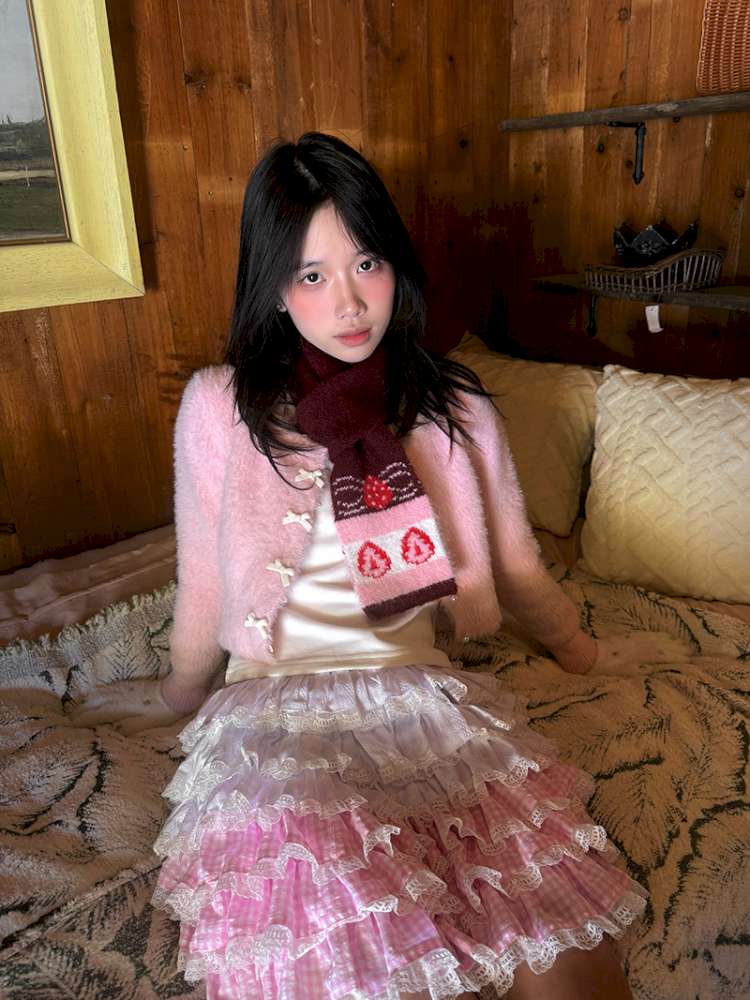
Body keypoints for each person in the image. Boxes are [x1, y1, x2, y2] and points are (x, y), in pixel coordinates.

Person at [72, 132, 688, 999]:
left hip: (418, 701)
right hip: (275, 713)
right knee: (330, 925)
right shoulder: (220, 405)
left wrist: (582, 652)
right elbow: (203, 577)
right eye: (312, 274)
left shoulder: (451, 403)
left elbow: (516, 564)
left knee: (560, 946)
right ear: (273, 288)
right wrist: (178, 692)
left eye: (367, 263)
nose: (350, 302)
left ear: (396, 264)